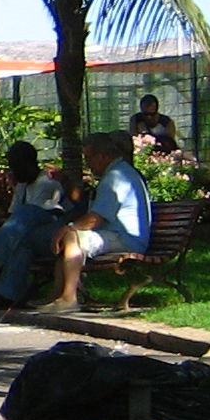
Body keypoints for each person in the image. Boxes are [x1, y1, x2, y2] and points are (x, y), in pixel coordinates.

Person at [40, 131, 154, 310]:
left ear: (104, 156)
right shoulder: (120, 172)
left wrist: (68, 228)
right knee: (71, 237)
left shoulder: (115, 178)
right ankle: (57, 297)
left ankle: (68, 298)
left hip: (126, 239)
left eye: (89, 157)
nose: (88, 164)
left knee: (72, 237)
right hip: (121, 236)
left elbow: (96, 218)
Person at [0, 141, 71, 308]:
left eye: (16, 167)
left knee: (27, 212)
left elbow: (31, 214)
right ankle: (5, 295)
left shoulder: (46, 182)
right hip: (30, 231)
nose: (13, 172)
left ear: (29, 163)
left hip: (53, 226)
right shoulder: (23, 185)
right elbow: (12, 215)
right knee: (21, 245)